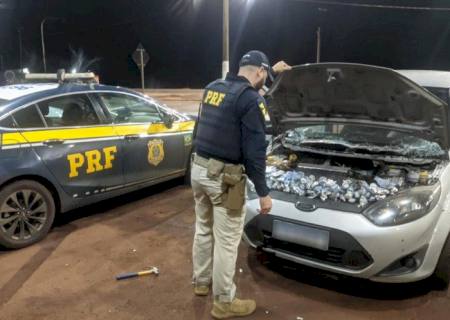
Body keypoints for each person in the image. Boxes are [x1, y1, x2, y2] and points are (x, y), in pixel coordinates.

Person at [191, 50, 291, 319]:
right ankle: (224, 301)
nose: (263, 81)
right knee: (226, 241)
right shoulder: (249, 99)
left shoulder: (213, 87)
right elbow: (255, 152)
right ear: (259, 72)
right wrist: (263, 192)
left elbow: (199, 127)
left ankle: (201, 283)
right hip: (224, 178)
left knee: (203, 229)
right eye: (264, 76)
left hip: (198, 168)